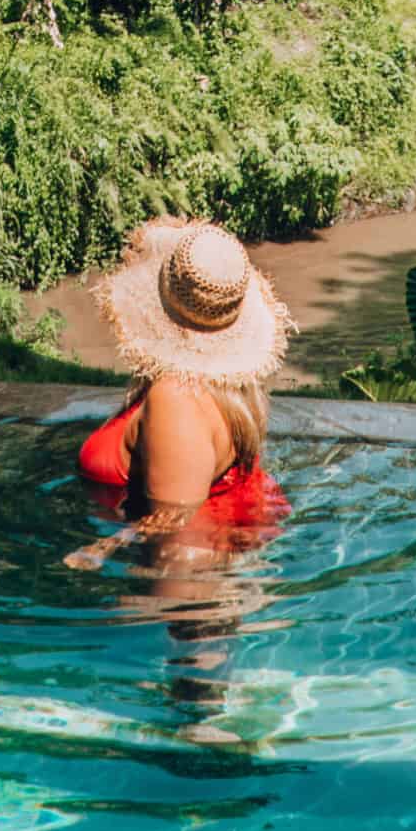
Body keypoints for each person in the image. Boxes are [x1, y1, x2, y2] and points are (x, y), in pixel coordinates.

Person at [64, 217, 293, 573]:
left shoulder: (177, 396)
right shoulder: (224, 384)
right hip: (219, 553)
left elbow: (176, 528)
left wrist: (104, 547)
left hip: (189, 580)